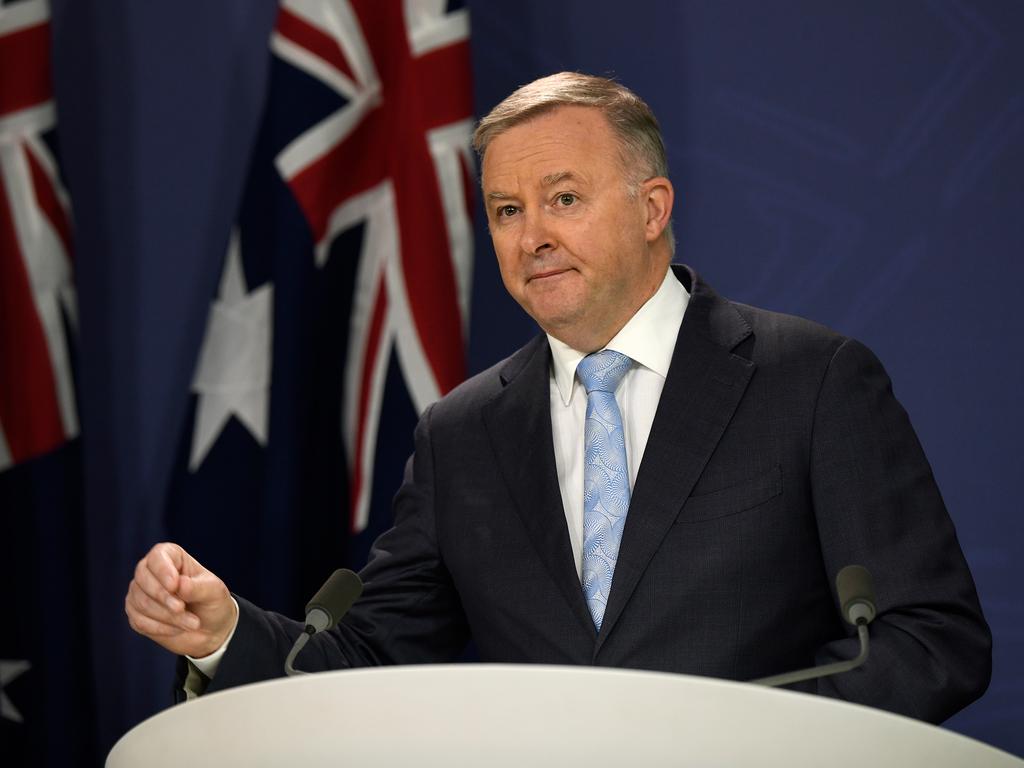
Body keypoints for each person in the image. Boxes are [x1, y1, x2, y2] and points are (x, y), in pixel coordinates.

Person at [125, 72, 991, 722]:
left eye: (563, 199)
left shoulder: (810, 379)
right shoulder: (461, 433)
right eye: (505, 211)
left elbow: (926, 640)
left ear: (652, 207)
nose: (531, 235)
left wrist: (739, 745)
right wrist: (222, 633)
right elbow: (373, 656)